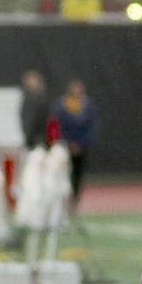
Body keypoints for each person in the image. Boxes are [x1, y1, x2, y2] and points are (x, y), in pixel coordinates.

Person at [51, 79, 98, 215]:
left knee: (78, 175)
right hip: (66, 147)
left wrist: (81, 143)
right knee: (63, 175)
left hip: (82, 147)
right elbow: (58, 125)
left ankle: (74, 201)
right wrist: (67, 142)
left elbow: (91, 126)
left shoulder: (87, 105)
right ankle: (61, 203)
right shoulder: (62, 105)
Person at [19, 70, 51, 151]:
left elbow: (48, 120)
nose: (33, 84)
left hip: (44, 141)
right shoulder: (26, 100)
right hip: (33, 142)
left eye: (34, 81)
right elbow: (27, 122)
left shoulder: (43, 100)